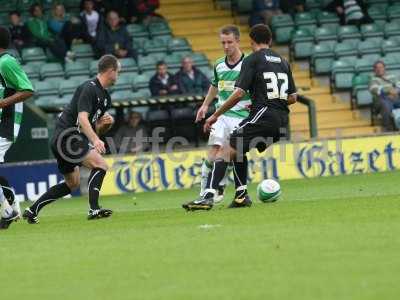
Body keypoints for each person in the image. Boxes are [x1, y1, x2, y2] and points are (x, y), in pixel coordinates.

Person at [183, 24, 297, 211]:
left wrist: (215, 115)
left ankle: (209, 196)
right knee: (238, 149)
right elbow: (293, 97)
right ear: (270, 40)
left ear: (251, 41)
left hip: (263, 115)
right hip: (282, 120)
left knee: (226, 150)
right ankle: (241, 197)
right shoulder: (283, 61)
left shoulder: (252, 60)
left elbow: (238, 94)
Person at [23, 55, 120, 224]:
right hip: (67, 137)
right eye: (118, 71)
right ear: (111, 71)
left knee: (72, 183)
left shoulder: (106, 98)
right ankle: (94, 209)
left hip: (68, 139)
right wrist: (96, 140)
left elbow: (93, 128)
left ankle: (32, 210)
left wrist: (106, 125)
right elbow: (82, 119)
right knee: (101, 165)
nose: (119, 74)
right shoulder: (89, 88)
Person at [191, 25, 251, 204]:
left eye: (229, 42)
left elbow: (257, 86)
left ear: (238, 41)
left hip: (241, 115)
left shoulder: (248, 62)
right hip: (222, 115)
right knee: (213, 153)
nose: (226, 46)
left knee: (235, 153)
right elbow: (215, 85)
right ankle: (208, 192)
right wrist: (205, 105)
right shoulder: (218, 64)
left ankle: (228, 188)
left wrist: (255, 104)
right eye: (223, 42)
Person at [0, 26, 34, 229]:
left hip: (7, 123)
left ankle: (8, 210)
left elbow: (28, 89)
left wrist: (3, 103)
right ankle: (11, 205)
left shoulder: (7, 62)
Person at [369, 61, 400, 132]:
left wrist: (396, 91)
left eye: (381, 67)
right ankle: (388, 128)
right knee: (385, 104)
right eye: (377, 68)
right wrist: (389, 91)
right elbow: (375, 90)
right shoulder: (372, 79)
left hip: (395, 97)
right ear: (374, 70)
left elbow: (399, 85)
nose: (379, 69)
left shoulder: (392, 76)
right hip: (381, 100)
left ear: (384, 68)